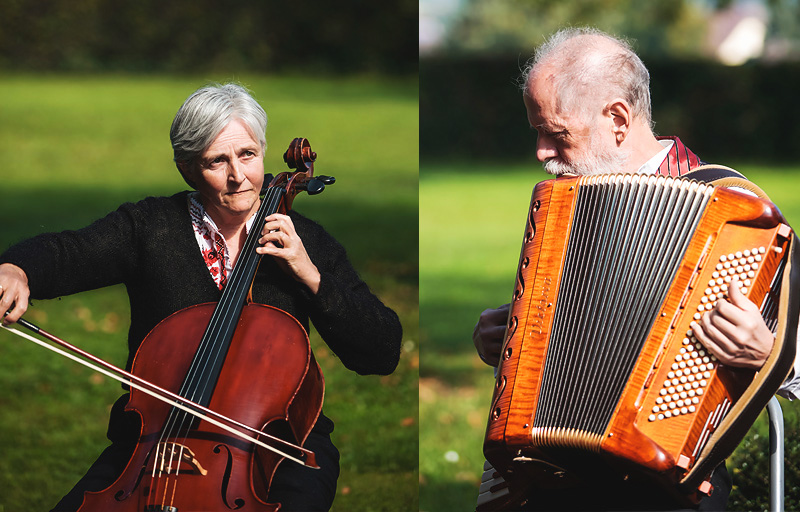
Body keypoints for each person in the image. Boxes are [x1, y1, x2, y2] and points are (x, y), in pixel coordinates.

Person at [0, 83, 402, 511]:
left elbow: (381, 351)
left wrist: (310, 275)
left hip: (276, 449)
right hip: (154, 447)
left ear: (262, 151)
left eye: (248, 155)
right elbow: (67, 252)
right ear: (187, 168)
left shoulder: (306, 242)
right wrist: (16, 269)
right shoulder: (151, 228)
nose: (238, 176)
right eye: (217, 161)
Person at [472, 27, 800, 510]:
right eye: (537, 132)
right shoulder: (568, 209)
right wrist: (508, 342)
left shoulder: (737, 214)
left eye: (556, 134)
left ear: (618, 119)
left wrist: (771, 354)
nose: (541, 154)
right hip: (553, 473)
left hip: (671, 489)